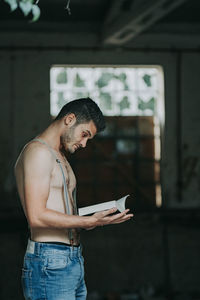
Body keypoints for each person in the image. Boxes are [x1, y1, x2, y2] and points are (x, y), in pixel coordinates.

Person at [15, 97, 133, 300]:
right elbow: (36, 216)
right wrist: (88, 221)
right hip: (49, 260)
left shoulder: (59, 156)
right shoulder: (38, 152)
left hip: (71, 259)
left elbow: (61, 212)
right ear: (70, 119)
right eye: (84, 134)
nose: (84, 143)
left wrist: (92, 220)